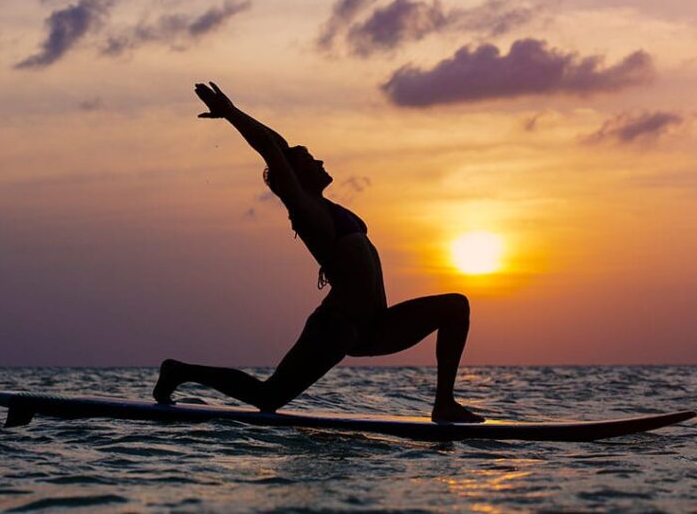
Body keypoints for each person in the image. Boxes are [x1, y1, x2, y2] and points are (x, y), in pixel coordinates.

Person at [153, 82, 484, 423]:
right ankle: (179, 371)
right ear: (295, 176)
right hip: (337, 326)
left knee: (455, 307)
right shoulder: (304, 207)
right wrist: (231, 113)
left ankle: (443, 403)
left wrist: (247, 121)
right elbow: (272, 148)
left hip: (374, 325)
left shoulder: (326, 206)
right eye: (310, 159)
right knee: (269, 398)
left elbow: (280, 145)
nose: (320, 160)